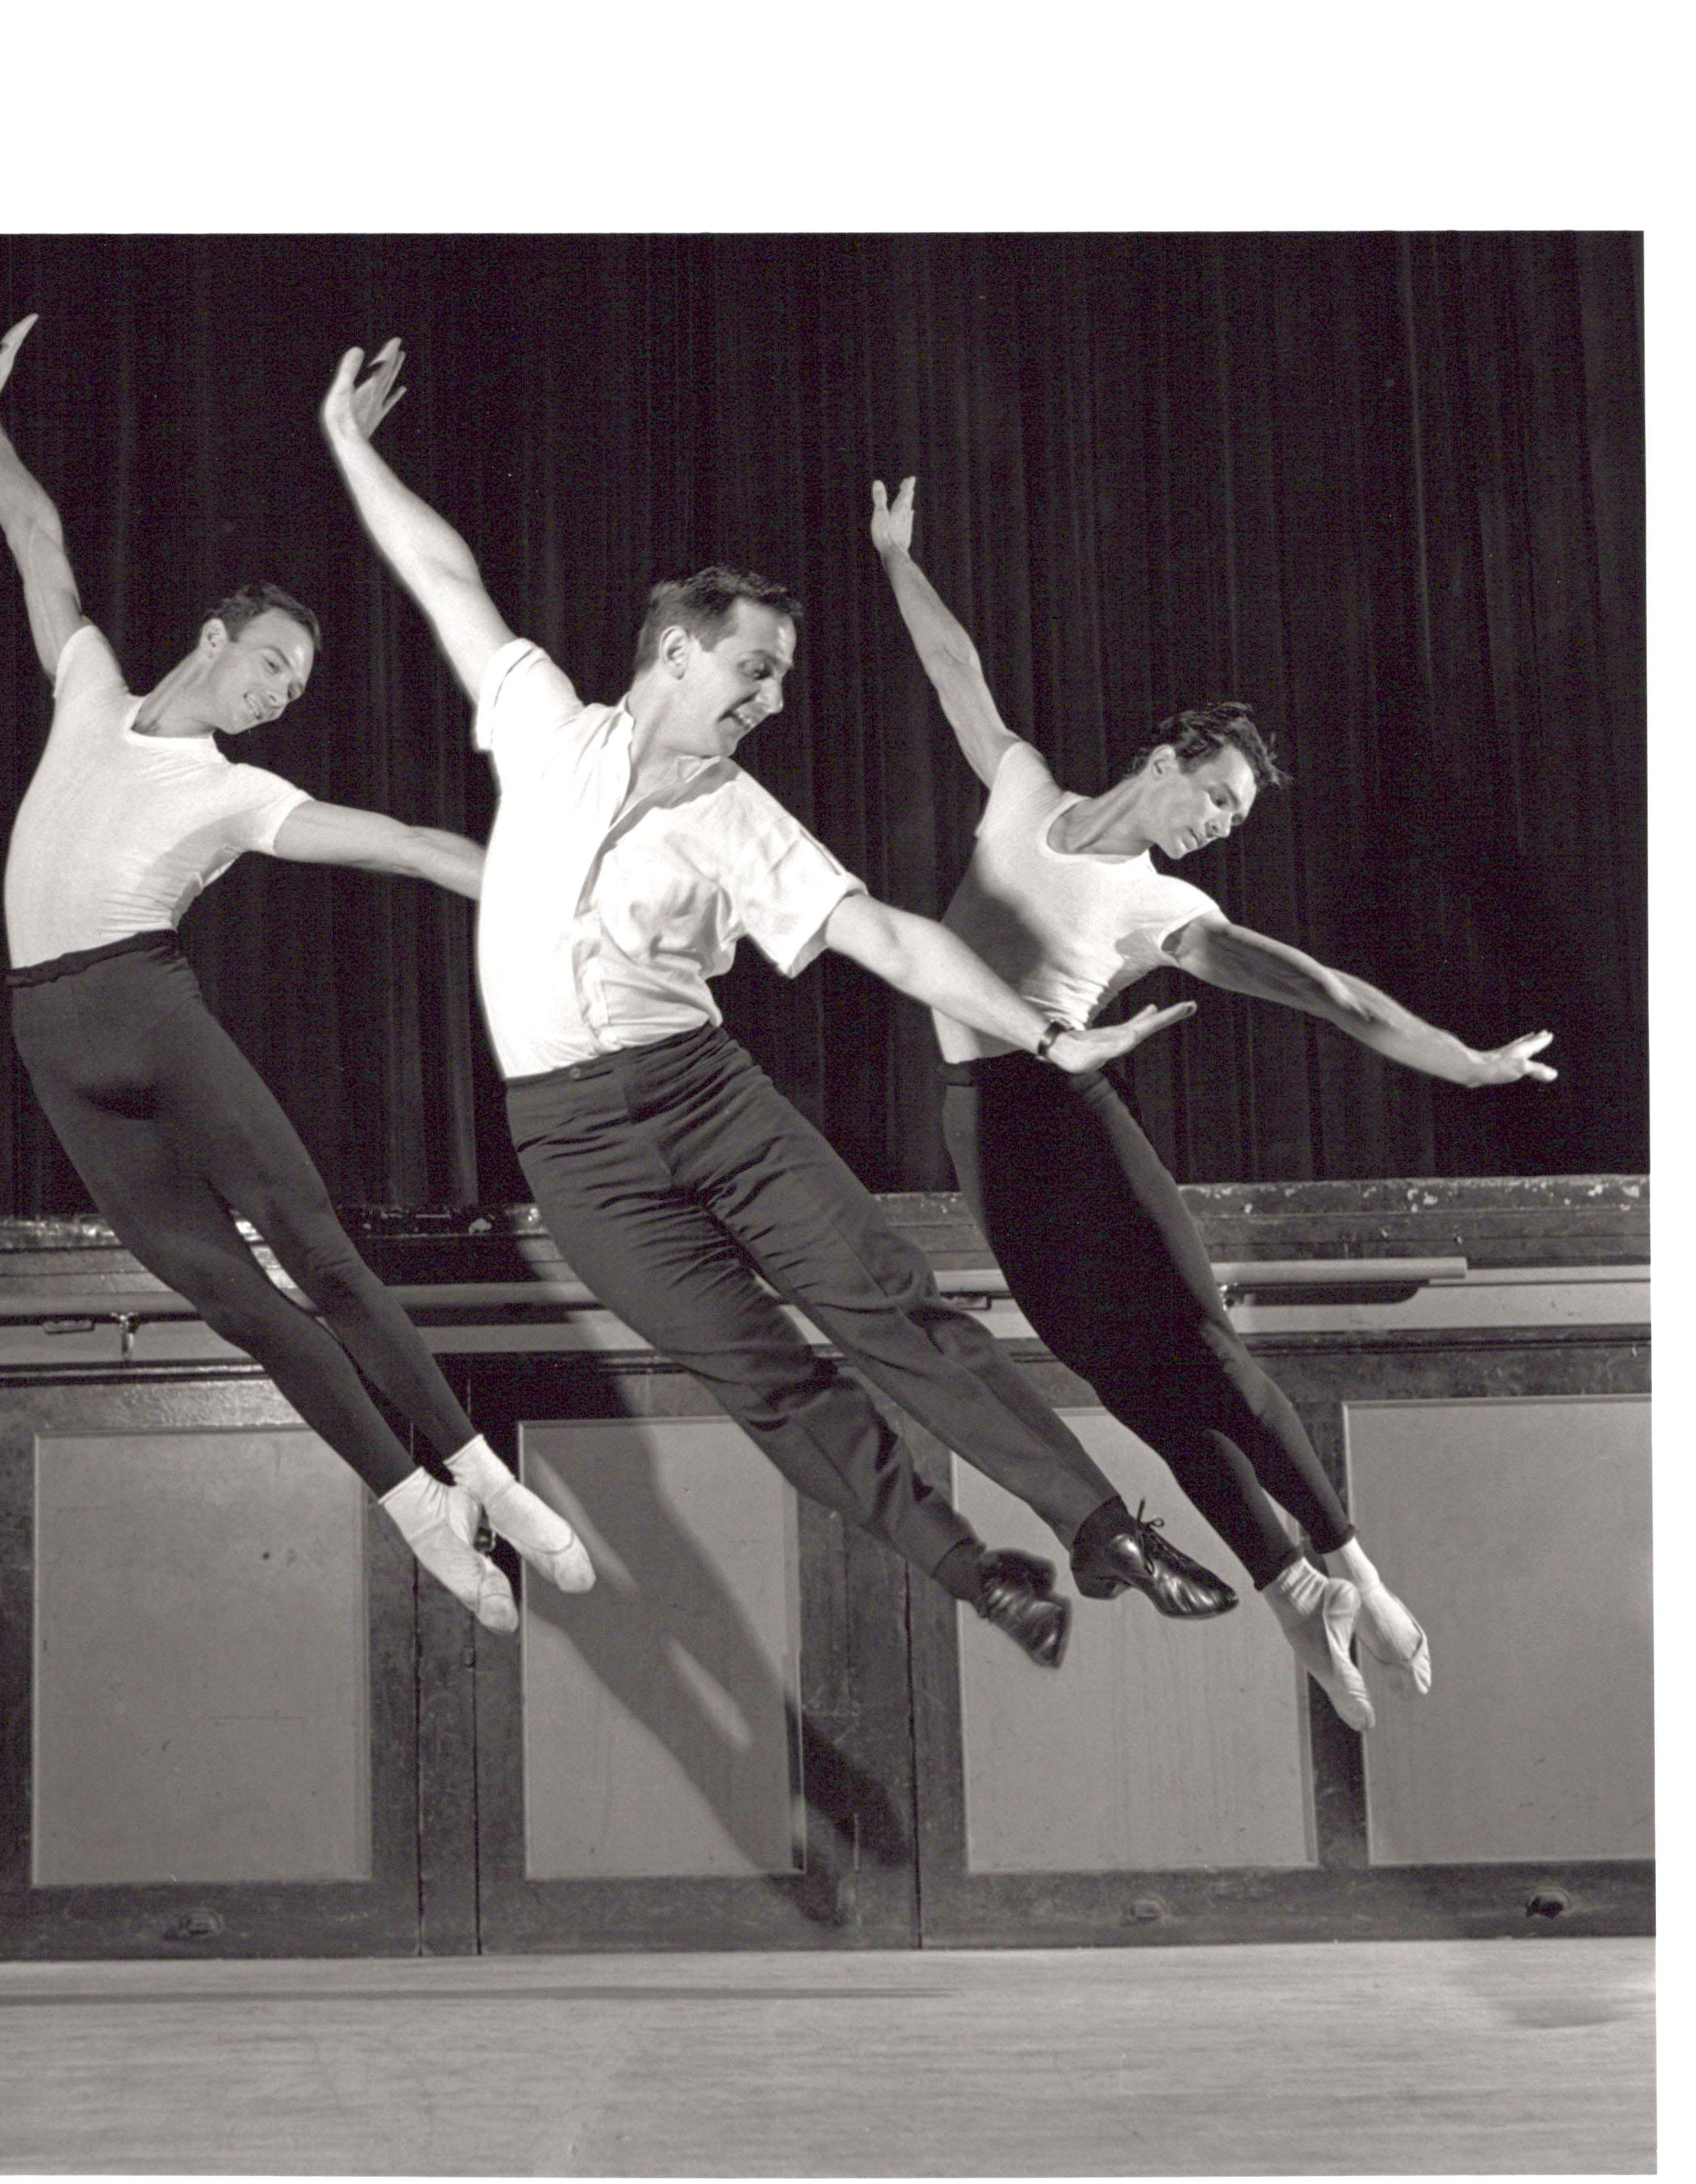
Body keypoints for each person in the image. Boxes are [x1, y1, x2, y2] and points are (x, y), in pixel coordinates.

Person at [319, 338, 1244, 1672]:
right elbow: (444, 574)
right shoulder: (542, 725)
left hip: (705, 1098)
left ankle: (1104, 1529)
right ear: (679, 654)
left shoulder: (742, 818)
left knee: (892, 1309)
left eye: (783, 676)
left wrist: (1048, 1032)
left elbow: (885, 936)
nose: (773, 697)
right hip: (575, 1151)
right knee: (760, 1376)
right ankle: (977, 1573)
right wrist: (353, 448)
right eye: (756, 669)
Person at [869, 474, 1560, 1728]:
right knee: (1137, 1389)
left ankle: (1365, 1578)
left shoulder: (1166, 910)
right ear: (1163, 760)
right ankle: (1295, 1592)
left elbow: (1330, 993)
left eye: (1237, 820)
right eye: (1219, 801)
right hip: (983, 1131)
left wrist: (1465, 1061)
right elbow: (954, 669)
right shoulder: (1021, 793)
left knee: (1206, 1353)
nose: (1220, 832)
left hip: (1073, 1120)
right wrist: (893, 554)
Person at [0, 314, 594, 1635]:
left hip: (143, 1005)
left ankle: (488, 1478)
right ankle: (421, 1511)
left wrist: (556, 891)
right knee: (228, 1297)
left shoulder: (239, 794)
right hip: (48, 1038)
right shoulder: (88, 690)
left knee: (318, 1252)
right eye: (270, 667)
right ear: (212, 637)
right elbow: (39, 544)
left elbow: (412, 846)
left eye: (297, 688)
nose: (278, 696)